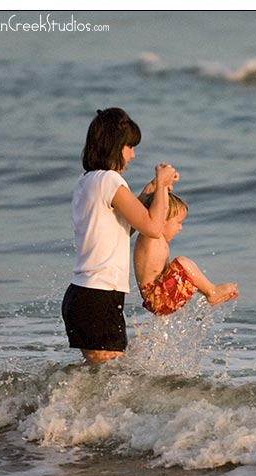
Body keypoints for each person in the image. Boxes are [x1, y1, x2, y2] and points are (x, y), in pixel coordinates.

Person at [61, 107, 179, 364]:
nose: (133, 155)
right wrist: (161, 186)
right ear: (115, 146)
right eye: (129, 147)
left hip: (83, 296)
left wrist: (149, 192)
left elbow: (126, 227)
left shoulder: (87, 181)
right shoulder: (110, 181)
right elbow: (153, 227)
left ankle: (37, 404)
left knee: (99, 382)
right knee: (108, 381)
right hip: (99, 296)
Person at [134, 192, 239, 316]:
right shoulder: (152, 236)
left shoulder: (155, 238)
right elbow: (159, 209)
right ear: (161, 220)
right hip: (156, 296)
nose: (180, 228)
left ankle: (209, 292)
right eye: (178, 222)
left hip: (158, 296)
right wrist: (162, 184)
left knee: (181, 268)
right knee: (182, 262)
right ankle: (211, 291)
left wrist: (157, 186)